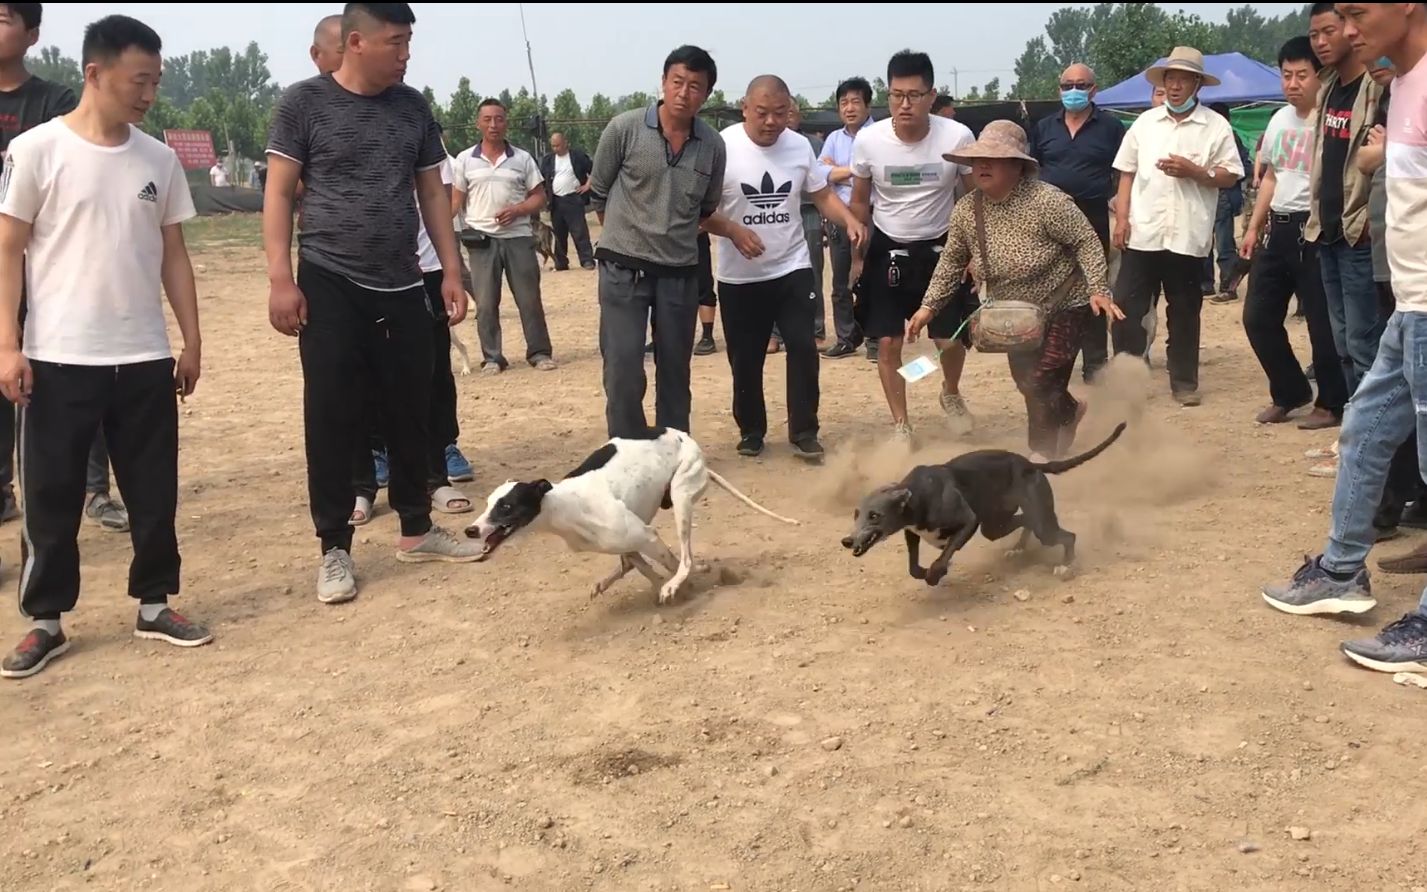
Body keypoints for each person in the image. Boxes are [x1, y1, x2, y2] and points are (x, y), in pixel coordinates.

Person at [0, 14, 211, 679]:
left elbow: (173, 254)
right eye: (138, 80)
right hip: (59, 355)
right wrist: (8, 344)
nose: (148, 94)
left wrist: (191, 340)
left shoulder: (158, 158)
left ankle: (154, 603)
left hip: (144, 356)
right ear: (95, 74)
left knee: (153, 492)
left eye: (155, 81)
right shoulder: (37, 151)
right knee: (53, 496)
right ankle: (46, 621)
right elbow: (7, 249)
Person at [264, 1, 482, 606]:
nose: (406, 54)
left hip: (403, 281)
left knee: (413, 405)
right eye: (395, 42)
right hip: (331, 279)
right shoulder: (303, 104)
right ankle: (334, 547)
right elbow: (279, 194)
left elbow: (432, 193)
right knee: (333, 413)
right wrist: (282, 278)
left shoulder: (412, 107)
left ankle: (417, 528)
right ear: (356, 41)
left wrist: (450, 270)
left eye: (409, 42)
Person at [1262, 1, 1427, 673]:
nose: (1348, 30)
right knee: (1363, 424)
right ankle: (1339, 571)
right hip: (1411, 306)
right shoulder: (1404, 82)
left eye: (1356, 12)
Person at [910, 121, 1123, 459]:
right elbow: (952, 261)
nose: (982, 166)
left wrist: (1099, 288)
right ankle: (1068, 412)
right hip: (1013, 313)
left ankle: (1039, 459)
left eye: (992, 160)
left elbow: (1086, 241)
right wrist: (928, 308)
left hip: (1066, 304)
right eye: (978, 160)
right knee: (1029, 384)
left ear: (1017, 166)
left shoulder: (1047, 202)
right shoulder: (968, 209)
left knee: (1040, 380)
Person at [0, 1, 127, 532]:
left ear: (32, 34)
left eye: (4, 18)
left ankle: (92, 487)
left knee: (74, 373)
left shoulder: (54, 101)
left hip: (44, 264)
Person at [703, 75, 867, 461]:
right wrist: (732, 232)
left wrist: (849, 220)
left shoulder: (798, 146)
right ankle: (751, 430)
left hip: (792, 267)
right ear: (745, 108)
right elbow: (699, 212)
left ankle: (805, 431)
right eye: (762, 113)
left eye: (780, 113)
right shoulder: (721, 147)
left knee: (802, 347)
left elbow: (821, 193)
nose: (772, 121)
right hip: (739, 276)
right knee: (745, 356)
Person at [589, 45, 726, 440]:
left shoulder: (713, 146)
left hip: (679, 273)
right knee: (623, 368)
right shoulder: (624, 129)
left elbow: (707, 206)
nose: (684, 92)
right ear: (664, 82)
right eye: (677, 82)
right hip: (622, 270)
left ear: (707, 94)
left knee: (675, 370)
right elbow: (599, 192)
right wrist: (627, 236)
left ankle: (671, 456)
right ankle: (627, 453)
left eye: (695, 86)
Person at [851, 49, 976, 445]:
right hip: (888, 247)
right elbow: (858, 202)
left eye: (914, 95)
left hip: (942, 248)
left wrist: (973, 253)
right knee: (887, 342)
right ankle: (902, 425)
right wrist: (857, 255)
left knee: (949, 339)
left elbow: (974, 200)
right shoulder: (869, 141)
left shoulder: (957, 137)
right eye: (896, 95)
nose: (905, 104)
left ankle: (950, 392)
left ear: (932, 95)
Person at [1111, 46, 1244, 407]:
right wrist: (1122, 220)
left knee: (1184, 312)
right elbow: (1126, 173)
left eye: (1184, 79)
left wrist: (1197, 172)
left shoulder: (1215, 127)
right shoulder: (1145, 124)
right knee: (1126, 309)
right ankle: (1127, 378)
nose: (1175, 85)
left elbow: (1230, 176)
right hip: (1144, 233)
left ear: (1197, 84)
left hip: (1188, 235)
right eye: (1170, 78)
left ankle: (1184, 383)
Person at [1240, 37, 1347, 431]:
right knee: (1257, 317)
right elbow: (1271, 176)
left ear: (1319, 76)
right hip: (1279, 228)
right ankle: (1289, 392)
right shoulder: (1278, 119)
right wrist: (1253, 227)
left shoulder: (1331, 118)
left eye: (1302, 75)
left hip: (1318, 229)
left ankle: (1331, 403)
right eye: (1286, 75)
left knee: (1322, 324)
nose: (1293, 83)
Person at [1307, 1, 1386, 395]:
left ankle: (1378, 445)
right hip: (1329, 230)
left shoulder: (1377, 87)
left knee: (1364, 343)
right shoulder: (1327, 89)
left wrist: (1371, 219)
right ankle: (1358, 432)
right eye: (1314, 35)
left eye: (1329, 31)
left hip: (1360, 232)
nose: (1321, 42)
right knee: (1343, 343)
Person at [1030, 62, 1126, 382]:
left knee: (1093, 288)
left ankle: (1095, 363)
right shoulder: (1044, 127)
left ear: (1094, 90)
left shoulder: (1111, 128)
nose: (1074, 91)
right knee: (1048, 287)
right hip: (1048, 220)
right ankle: (1051, 361)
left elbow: (1123, 173)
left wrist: (1119, 208)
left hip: (1093, 215)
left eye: (1081, 85)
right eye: (1068, 85)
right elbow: (1032, 171)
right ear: (1059, 89)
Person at [453, 97, 556, 374]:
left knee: (529, 298)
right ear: (478, 123)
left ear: (506, 122)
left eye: (498, 119)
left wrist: (519, 209)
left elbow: (539, 196)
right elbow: (455, 201)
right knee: (485, 303)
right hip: (481, 241)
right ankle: (492, 357)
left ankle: (539, 352)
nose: (493, 125)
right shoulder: (465, 160)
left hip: (519, 238)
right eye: (487, 119)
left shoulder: (522, 158)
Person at [819, 76, 875, 360]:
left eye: (855, 101)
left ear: (868, 104)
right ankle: (845, 338)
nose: (849, 108)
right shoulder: (833, 139)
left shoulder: (880, 135)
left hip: (874, 217)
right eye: (844, 102)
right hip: (840, 218)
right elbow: (820, 175)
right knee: (841, 283)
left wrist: (840, 170)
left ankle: (876, 338)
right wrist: (856, 169)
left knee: (873, 277)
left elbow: (876, 173)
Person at [538, 131, 595, 271]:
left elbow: (594, 170)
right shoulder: (548, 160)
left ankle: (587, 260)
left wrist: (587, 185)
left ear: (565, 143)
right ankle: (561, 262)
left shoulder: (578, 156)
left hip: (573, 199)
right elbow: (541, 179)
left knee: (579, 231)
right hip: (556, 201)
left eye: (558, 145)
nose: (555, 148)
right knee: (558, 233)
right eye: (553, 146)